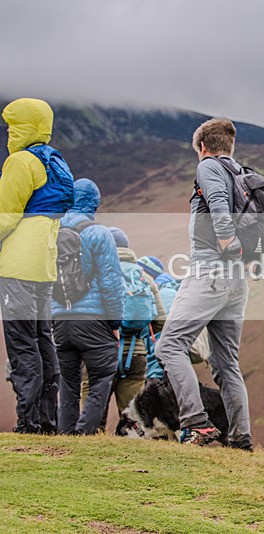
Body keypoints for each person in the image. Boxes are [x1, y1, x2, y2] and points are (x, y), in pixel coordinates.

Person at [154, 117, 252, 451]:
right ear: (232, 146)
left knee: (168, 346)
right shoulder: (245, 175)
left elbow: (218, 204)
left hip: (210, 272)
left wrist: (227, 241)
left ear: (203, 147)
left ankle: (197, 425)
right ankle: (240, 438)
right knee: (226, 364)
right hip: (238, 280)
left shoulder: (209, 167)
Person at [0, 98, 74, 434]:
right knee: (44, 341)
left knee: (21, 344)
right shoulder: (56, 161)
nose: (8, 133)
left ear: (23, 128)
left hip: (17, 265)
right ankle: (46, 420)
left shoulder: (20, 162)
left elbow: (5, 215)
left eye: (11, 127)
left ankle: (27, 422)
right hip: (44, 266)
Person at [52, 178, 124, 435]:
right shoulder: (99, 234)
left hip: (60, 320)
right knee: (102, 377)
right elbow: (111, 284)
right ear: (94, 203)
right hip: (94, 321)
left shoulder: (52, 231)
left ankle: (66, 436)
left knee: (68, 384)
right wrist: (115, 324)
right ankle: (84, 434)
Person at [80, 227, 166, 426]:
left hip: (99, 352)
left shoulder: (94, 274)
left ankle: (90, 449)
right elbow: (160, 321)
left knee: (91, 416)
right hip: (135, 355)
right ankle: (134, 454)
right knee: (133, 419)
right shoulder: (145, 278)